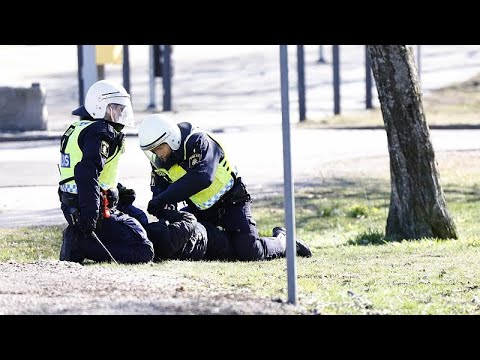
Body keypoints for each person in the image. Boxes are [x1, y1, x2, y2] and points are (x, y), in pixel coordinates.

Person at [137, 114, 312, 261]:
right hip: (202, 210)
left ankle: (284, 240)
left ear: (172, 138)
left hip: (232, 202)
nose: (158, 154)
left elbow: (202, 177)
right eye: (153, 151)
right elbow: (160, 194)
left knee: (250, 252)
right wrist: (165, 212)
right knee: (213, 248)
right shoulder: (160, 162)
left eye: (160, 148)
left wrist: (164, 199)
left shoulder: (198, 140)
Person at [57, 80, 154, 264]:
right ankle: (80, 243)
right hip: (92, 209)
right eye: (116, 108)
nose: (120, 113)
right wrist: (90, 217)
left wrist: (118, 190)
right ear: (101, 107)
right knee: (143, 250)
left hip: (78, 205)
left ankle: (81, 239)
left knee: (140, 218)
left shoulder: (81, 129)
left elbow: (89, 172)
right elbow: (86, 172)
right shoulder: (101, 132)